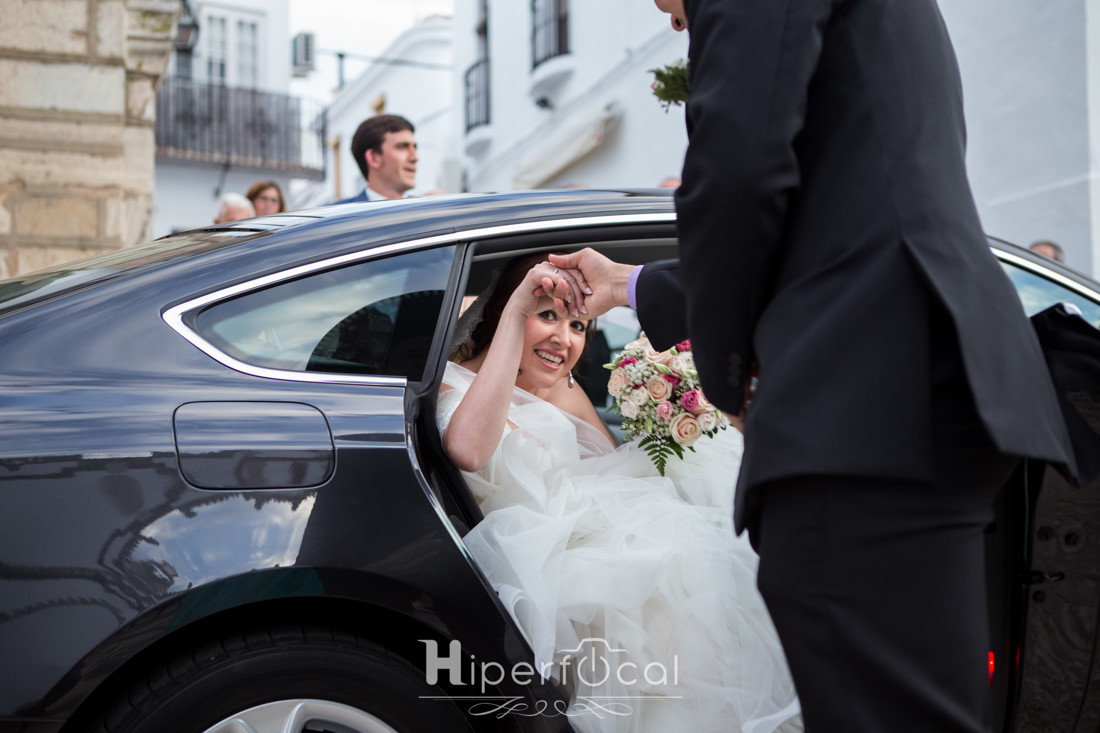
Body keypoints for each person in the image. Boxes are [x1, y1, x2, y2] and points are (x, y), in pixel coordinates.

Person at [542, 1, 1078, 731]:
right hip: (910, 377)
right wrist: (630, 283)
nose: (671, 18)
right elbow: (831, 217)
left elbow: (739, 174)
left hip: (860, 395)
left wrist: (733, 382)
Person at [438, 254, 801, 732]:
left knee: (688, 579)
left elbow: (620, 476)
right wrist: (516, 311)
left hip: (592, 559)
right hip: (530, 580)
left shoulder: (565, 391)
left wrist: (671, 421)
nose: (563, 340)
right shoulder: (451, 383)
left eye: (578, 325)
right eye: (546, 315)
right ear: (509, 310)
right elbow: (468, 451)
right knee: (655, 590)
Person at [333, 114, 418, 204]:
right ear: (374, 158)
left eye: (415, 148)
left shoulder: (428, 213)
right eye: (402, 147)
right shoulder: (334, 216)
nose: (415, 158)